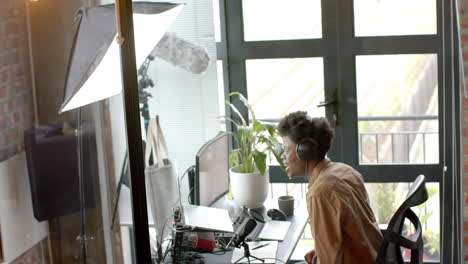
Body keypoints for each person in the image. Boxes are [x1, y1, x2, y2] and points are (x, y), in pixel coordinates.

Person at [278, 111, 382, 264]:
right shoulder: (344, 170)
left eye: (287, 149)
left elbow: (329, 261)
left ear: (305, 150)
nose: (283, 156)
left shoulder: (321, 192)